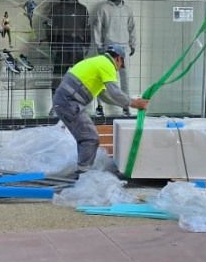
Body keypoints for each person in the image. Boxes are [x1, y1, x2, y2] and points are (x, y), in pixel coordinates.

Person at [52, 43, 149, 173]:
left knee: (86, 138)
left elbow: (105, 96)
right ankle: (83, 175)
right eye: (121, 65)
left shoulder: (99, 62)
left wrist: (126, 104)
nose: (118, 69)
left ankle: (83, 171)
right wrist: (134, 103)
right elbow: (115, 92)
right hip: (69, 102)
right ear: (118, 58)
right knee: (89, 138)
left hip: (66, 101)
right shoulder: (107, 64)